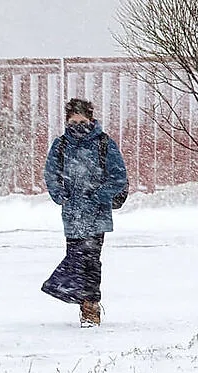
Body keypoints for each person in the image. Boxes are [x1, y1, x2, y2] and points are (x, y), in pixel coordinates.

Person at [43, 98, 127, 328]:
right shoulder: (60, 145)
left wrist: (98, 195)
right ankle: (82, 300)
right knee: (76, 259)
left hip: (97, 215)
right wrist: (61, 195)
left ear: (90, 120)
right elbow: (51, 174)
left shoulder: (104, 143)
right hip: (72, 215)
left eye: (82, 121)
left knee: (91, 260)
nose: (78, 125)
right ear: (67, 121)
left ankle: (90, 306)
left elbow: (119, 176)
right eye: (73, 121)